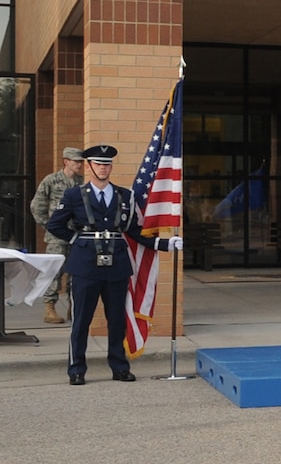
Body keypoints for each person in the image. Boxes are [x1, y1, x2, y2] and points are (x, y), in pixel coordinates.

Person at [43, 144, 182, 385]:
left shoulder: (125, 196)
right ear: (89, 166)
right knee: (81, 321)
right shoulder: (74, 195)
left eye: (107, 164)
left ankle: (119, 367)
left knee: (117, 320)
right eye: (98, 164)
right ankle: (76, 369)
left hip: (116, 264)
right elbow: (54, 224)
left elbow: (135, 231)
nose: (103, 168)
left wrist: (163, 244)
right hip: (85, 265)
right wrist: (77, 239)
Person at [29, 147, 86, 325]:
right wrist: (48, 225)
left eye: (81, 161)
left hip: (76, 233)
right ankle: (50, 307)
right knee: (54, 271)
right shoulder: (51, 180)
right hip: (57, 236)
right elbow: (36, 205)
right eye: (76, 161)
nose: (79, 164)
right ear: (66, 161)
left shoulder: (82, 183)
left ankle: (72, 306)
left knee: (75, 272)